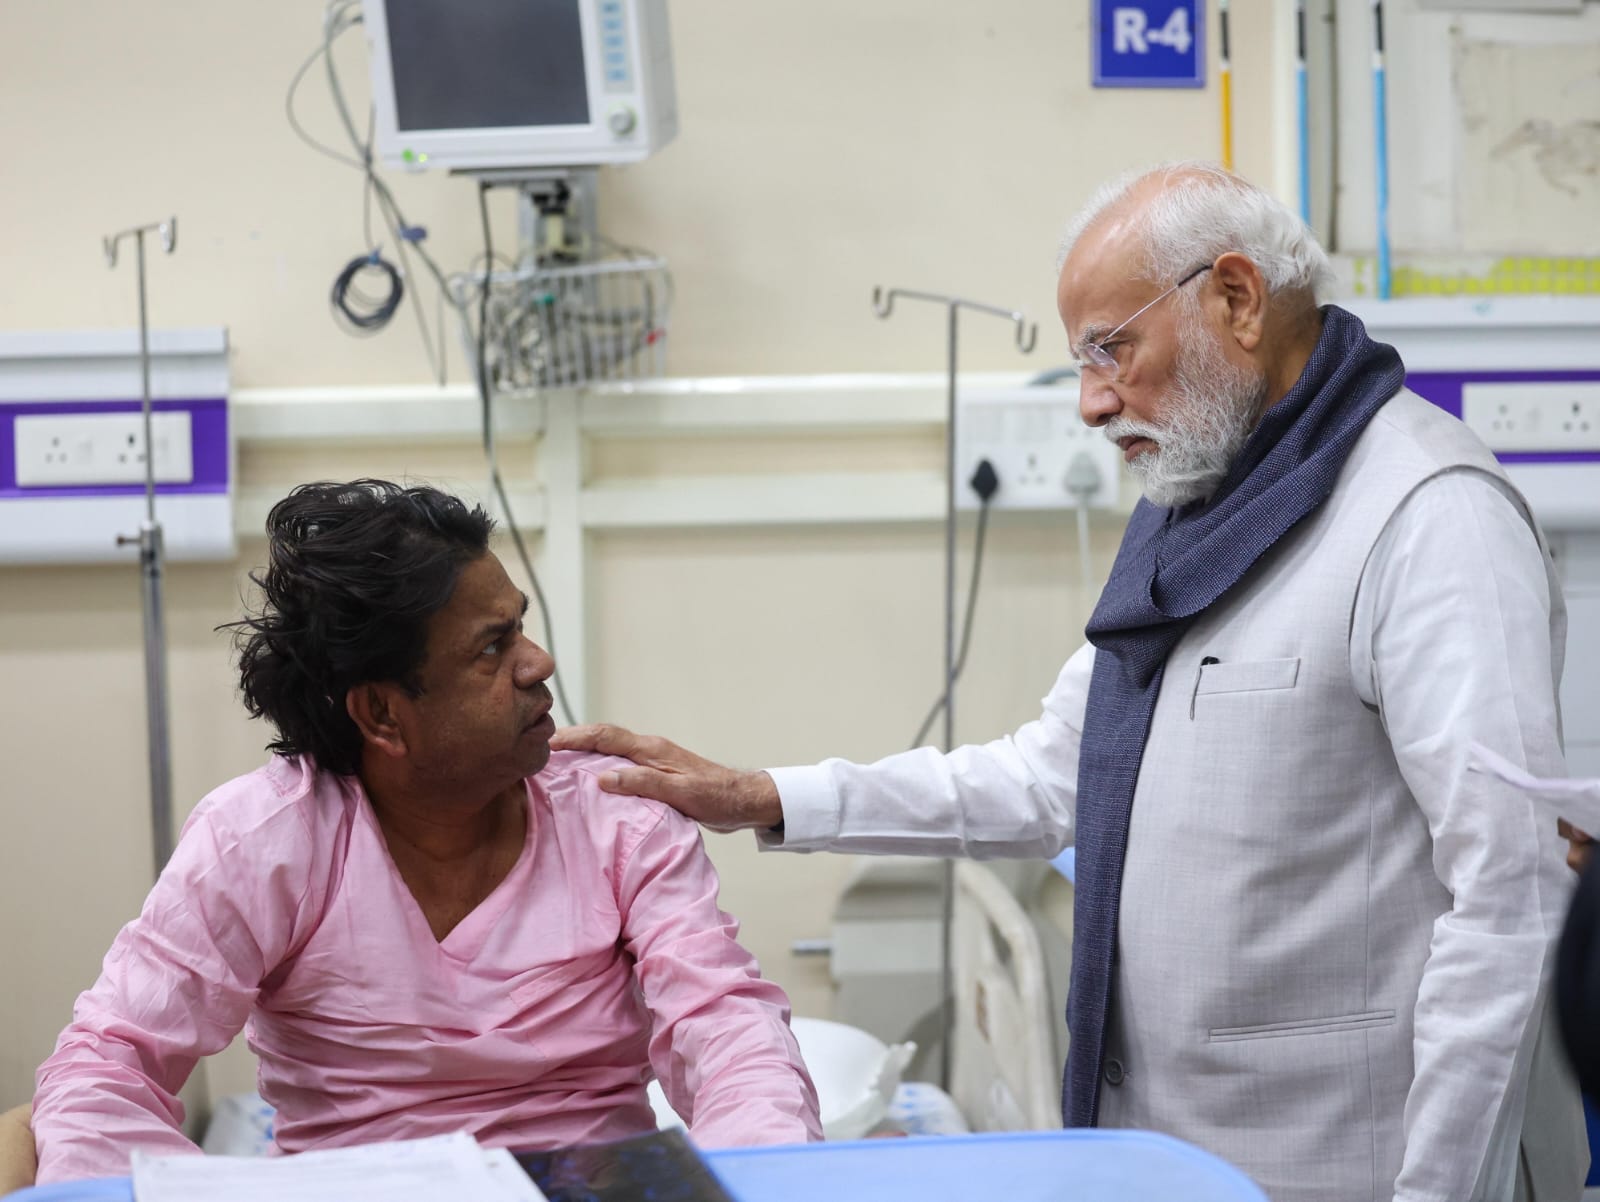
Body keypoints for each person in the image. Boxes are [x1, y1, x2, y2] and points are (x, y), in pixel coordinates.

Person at [554, 162, 1586, 1202]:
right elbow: (1053, 777)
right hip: (1170, 1158)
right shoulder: (1200, 510)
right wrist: (763, 795)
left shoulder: (1429, 518)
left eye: (1111, 348)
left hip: (1351, 1165)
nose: (1091, 403)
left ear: (1235, 297)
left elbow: (1511, 900)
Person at [30, 480, 820, 1183]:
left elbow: (729, 1030)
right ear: (382, 715)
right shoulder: (263, 843)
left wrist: (768, 1182)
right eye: (493, 647)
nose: (539, 662)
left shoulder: (619, 816)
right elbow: (107, 1066)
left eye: (521, 627)